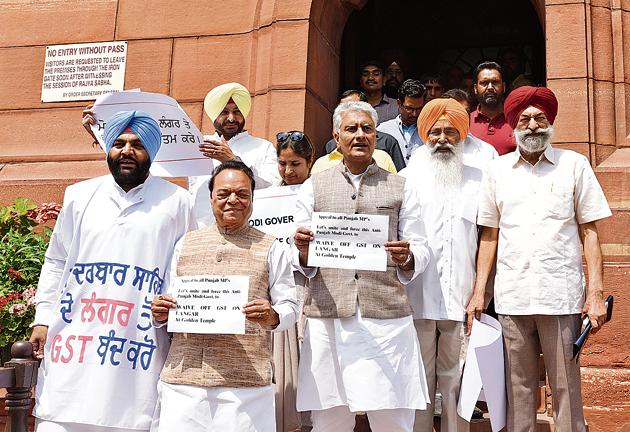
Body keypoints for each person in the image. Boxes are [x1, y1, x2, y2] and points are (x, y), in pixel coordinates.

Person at [30, 110, 195, 432]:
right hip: (75, 340)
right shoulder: (79, 195)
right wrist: (42, 317)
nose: (127, 151)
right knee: (60, 415)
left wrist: (173, 309)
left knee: (130, 417)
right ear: (108, 149)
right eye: (118, 143)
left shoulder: (178, 202)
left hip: (137, 344)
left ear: (151, 152)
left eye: (137, 145)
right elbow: (57, 261)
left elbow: (184, 266)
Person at [466, 86, 612, 432]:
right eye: (525, 119)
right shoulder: (497, 170)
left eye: (540, 118)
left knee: (565, 387)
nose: (532, 125)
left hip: (559, 295)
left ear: (550, 123)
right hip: (512, 297)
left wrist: (595, 294)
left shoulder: (573, 165)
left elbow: (589, 233)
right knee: (517, 389)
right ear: (514, 125)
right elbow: (490, 236)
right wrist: (478, 293)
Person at [293, 101, 431, 431]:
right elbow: (293, 247)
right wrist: (300, 250)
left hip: (386, 318)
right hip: (329, 319)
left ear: (376, 136)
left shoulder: (401, 186)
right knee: (329, 417)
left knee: (393, 416)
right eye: (352, 129)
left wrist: (408, 257)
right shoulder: (314, 185)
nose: (360, 135)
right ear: (336, 136)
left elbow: (422, 245)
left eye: (367, 129)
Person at [150, 161, 299, 432]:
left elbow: (289, 305)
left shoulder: (272, 248)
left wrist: (273, 315)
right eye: (224, 193)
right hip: (184, 384)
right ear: (211, 198)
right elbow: (170, 301)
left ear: (253, 200)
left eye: (242, 194)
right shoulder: (186, 244)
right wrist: (160, 312)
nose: (233, 200)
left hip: (245, 386)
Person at [400, 99, 480, 432]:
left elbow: (487, 237)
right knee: (417, 382)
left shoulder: (478, 178)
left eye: (450, 131)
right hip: (415, 297)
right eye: (435, 131)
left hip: (460, 296)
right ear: (424, 134)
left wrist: (480, 292)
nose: (442, 138)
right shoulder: (405, 177)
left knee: (455, 381)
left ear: (462, 135)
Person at [189, 82, 281, 226]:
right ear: (214, 115)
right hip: (202, 230)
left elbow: (271, 189)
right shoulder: (200, 145)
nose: (231, 118)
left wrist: (232, 161)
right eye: (224, 112)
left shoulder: (263, 147)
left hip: (248, 232)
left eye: (237, 112)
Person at [273, 131, 314, 432]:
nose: (288, 171)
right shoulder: (266, 196)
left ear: (310, 162)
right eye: (282, 163)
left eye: (295, 164)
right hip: (277, 285)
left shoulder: (318, 193)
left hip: (309, 284)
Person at [323, 90, 405, 171]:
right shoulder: (330, 146)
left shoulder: (387, 143)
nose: (360, 135)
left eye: (353, 107)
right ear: (337, 138)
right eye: (343, 107)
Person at [441, 89, 499, 169]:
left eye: (466, 112)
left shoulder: (487, 152)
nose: (463, 117)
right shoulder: (424, 153)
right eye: (457, 113)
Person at [469, 62, 515, 155]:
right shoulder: (466, 121)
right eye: (484, 83)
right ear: (475, 88)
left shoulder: (516, 120)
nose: (490, 87)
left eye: (495, 82)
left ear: (504, 86)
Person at [377, 79, 426, 165]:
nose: (414, 114)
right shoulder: (383, 130)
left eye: (419, 109)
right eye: (409, 109)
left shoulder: (429, 130)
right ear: (399, 103)